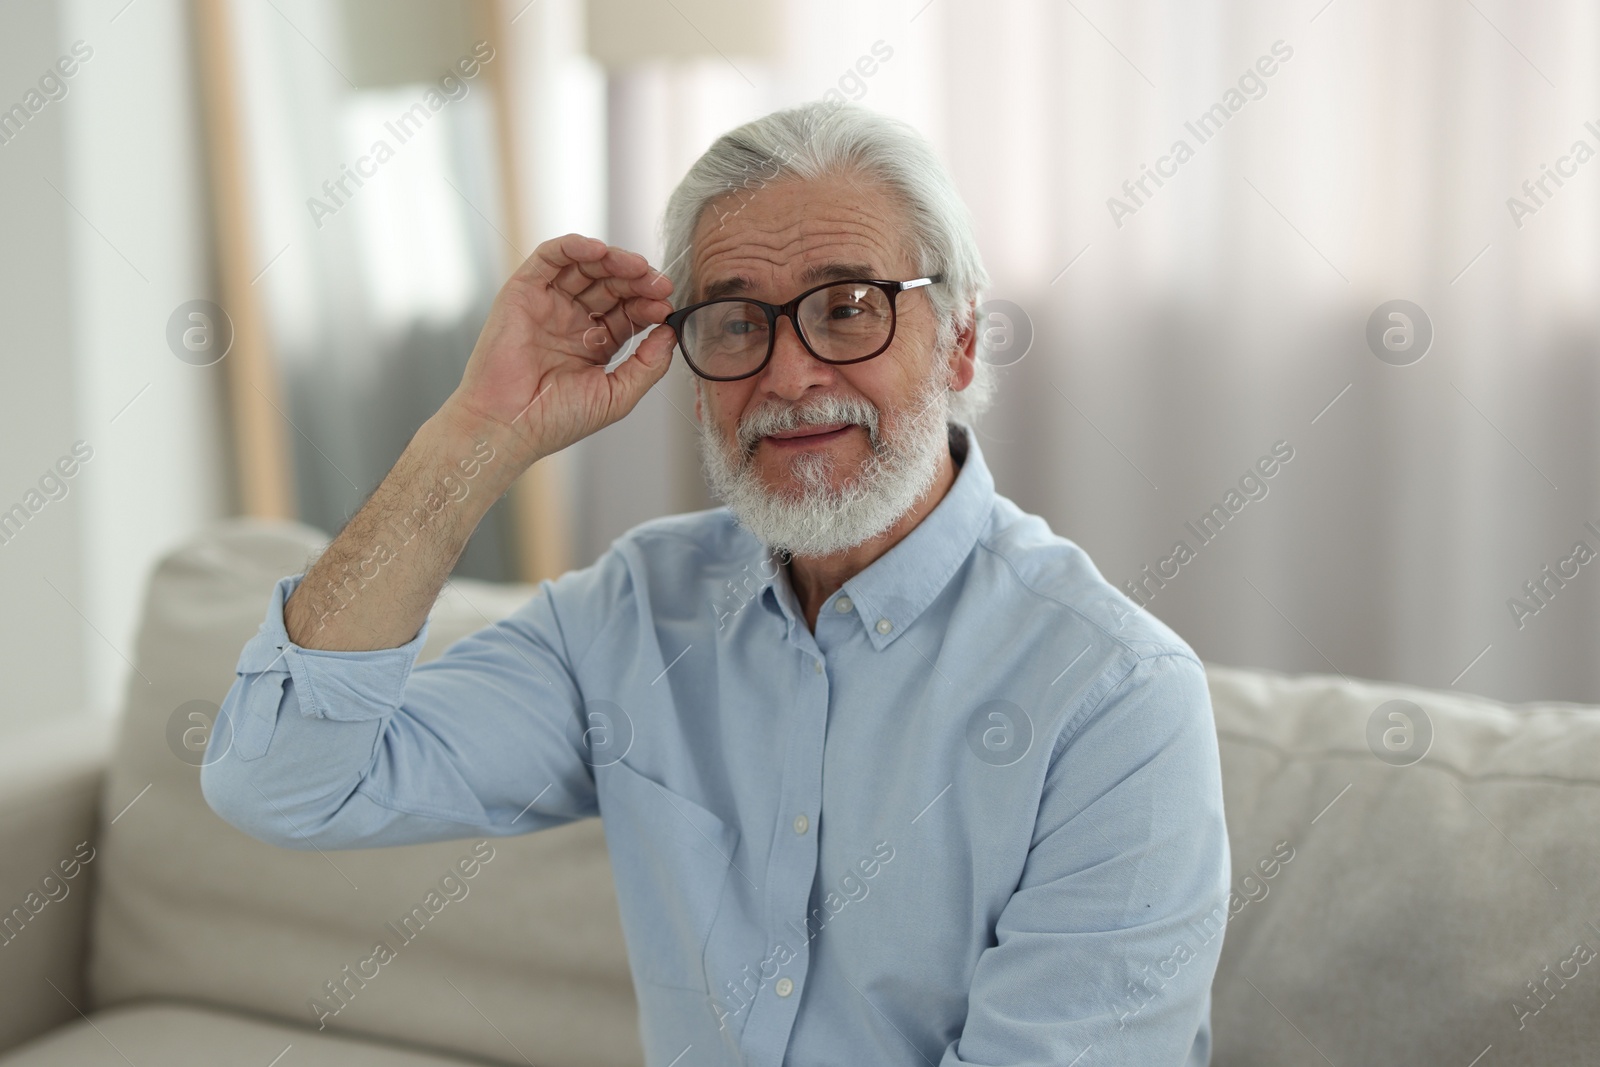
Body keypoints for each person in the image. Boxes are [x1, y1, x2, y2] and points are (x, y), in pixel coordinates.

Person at [202, 100, 1231, 1067]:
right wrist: (478, 436)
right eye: (736, 322)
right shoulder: (635, 611)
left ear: (958, 339)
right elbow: (283, 777)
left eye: (846, 309)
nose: (788, 377)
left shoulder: (1116, 695)